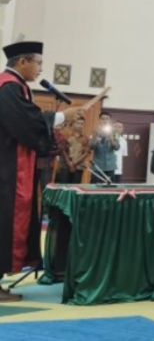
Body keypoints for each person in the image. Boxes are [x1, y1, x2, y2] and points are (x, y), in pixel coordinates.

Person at [0, 41, 81, 302]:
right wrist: (62, 117)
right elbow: (27, 123)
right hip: (6, 171)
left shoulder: (15, 86)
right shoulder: (8, 87)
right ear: (22, 61)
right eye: (38, 63)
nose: (40, 69)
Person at [88, 112, 120, 183]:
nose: (105, 121)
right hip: (98, 165)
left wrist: (111, 140)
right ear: (99, 120)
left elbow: (117, 147)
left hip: (110, 165)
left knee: (109, 186)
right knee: (95, 185)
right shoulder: (94, 132)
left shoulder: (115, 133)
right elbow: (90, 147)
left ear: (110, 121)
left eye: (107, 119)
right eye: (102, 119)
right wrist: (95, 138)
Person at [57, 116, 89, 184]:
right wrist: (69, 163)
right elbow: (63, 150)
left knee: (75, 188)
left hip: (78, 167)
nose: (79, 126)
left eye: (81, 124)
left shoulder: (85, 138)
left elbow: (86, 153)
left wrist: (74, 163)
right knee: (64, 187)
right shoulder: (66, 135)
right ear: (73, 124)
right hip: (65, 166)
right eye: (78, 123)